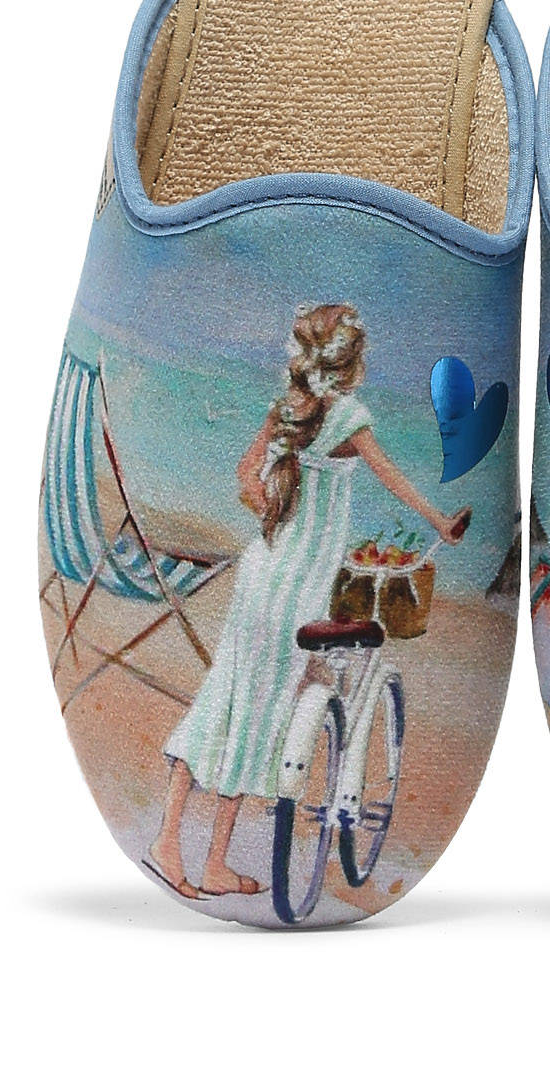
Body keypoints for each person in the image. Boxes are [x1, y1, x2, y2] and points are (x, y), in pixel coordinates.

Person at [146, 302, 466, 899]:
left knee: (225, 700)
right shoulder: (348, 417)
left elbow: (246, 476)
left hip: (263, 572)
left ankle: (174, 844)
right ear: (352, 365)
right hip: (297, 588)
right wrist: (441, 524)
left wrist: (274, 511)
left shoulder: (286, 408)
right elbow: (394, 479)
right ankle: (208, 859)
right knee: (261, 717)